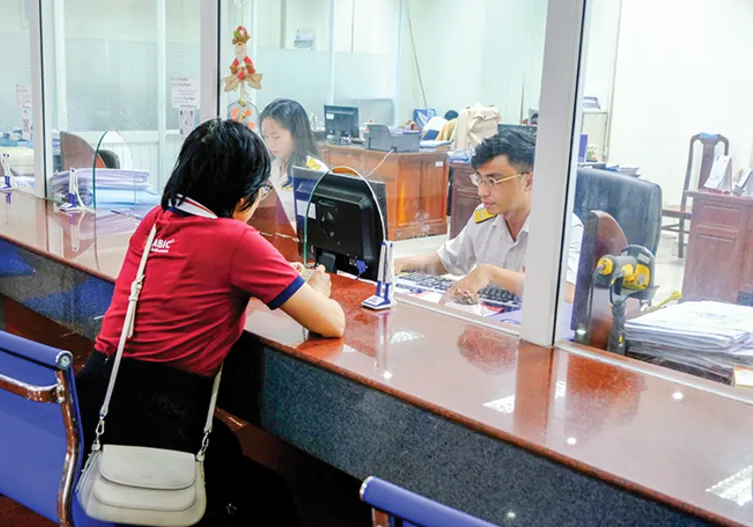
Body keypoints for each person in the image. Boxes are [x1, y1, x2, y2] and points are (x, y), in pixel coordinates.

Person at [77, 119, 345, 525]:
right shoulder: (237, 241)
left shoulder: (154, 222)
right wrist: (317, 289)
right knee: (272, 497)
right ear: (243, 196)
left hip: (97, 407)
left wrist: (266, 278)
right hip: (162, 427)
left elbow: (188, 284)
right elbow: (331, 323)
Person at [395, 128, 582, 302]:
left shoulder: (562, 228)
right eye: (480, 180)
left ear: (529, 181)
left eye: (493, 181)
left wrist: (491, 274)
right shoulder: (484, 216)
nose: (482, 192)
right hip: (488, 320)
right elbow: (448, 260)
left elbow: (568, 294)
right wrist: (402, 263)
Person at [260, 98, 327, 233]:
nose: (270, 144)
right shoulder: (270, 167)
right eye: (266, 136)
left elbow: (317, 223)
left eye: (276, 137)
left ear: (296, 135)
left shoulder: (314, 171)